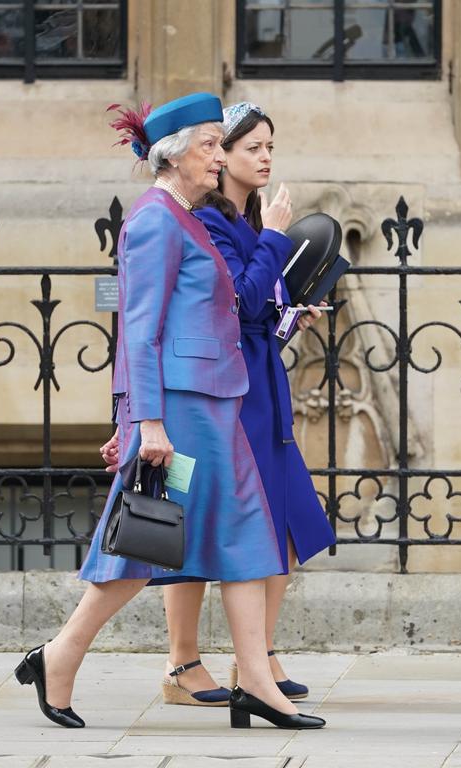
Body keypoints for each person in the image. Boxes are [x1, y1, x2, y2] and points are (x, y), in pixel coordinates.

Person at [16, 92, 325, 732]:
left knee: (246, 536)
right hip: (180, 416)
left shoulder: (187, 215)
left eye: (219, 143)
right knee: (145, 541)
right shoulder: (155, 219)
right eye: (210, 145)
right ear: (176, 154)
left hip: (215, 403)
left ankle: (258, 684)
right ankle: (59, 656)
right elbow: (140, 329)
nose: (220, 155)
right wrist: (143, 421)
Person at [101, 101, 337, 706]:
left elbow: (243, 319)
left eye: (269, 148)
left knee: (269, 526)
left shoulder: (237, 221)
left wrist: (292, 320)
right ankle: (184, 663)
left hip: (250, 383)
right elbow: (165, 321)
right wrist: (135, 419)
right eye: (243, 146)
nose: (262, 158)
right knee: (182, 529)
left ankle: (254, 660)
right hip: (208, 401)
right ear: (209, 152)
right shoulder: (189, 220)